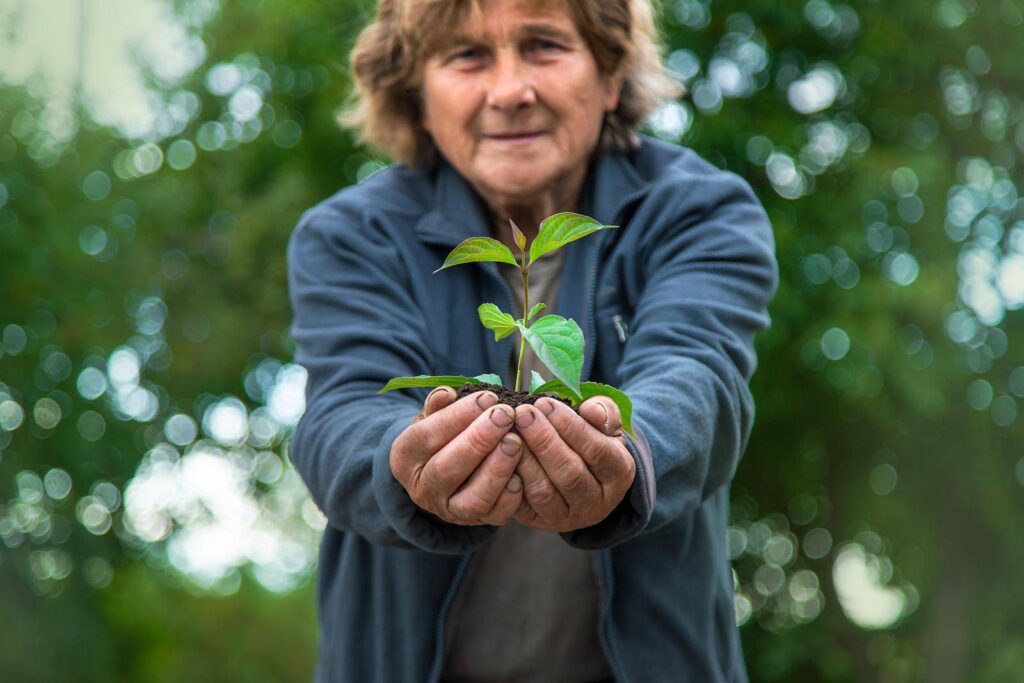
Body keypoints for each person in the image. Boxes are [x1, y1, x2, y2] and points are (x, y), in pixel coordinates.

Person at [285, 0, 778, 680]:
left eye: (544, 45)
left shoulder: (698, 209)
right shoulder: (352, 234)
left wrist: (632, 453)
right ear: (417, 96)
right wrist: (403, 463)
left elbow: (699, 374)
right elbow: (344, 407)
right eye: (467, 56)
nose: (510, 91)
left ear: (610, 75)